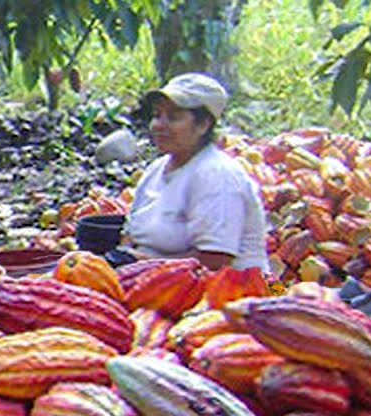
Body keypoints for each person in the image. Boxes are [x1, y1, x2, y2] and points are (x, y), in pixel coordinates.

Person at [114, 72, 269, 272]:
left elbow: (215, 260)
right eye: (157, 115)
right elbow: (129, 234)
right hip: (156, 279)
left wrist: (141, 262)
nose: (159, 125)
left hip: (241, 287)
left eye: (174, 117)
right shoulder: (156, 169)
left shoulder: (216, 174)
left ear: (203, 125)